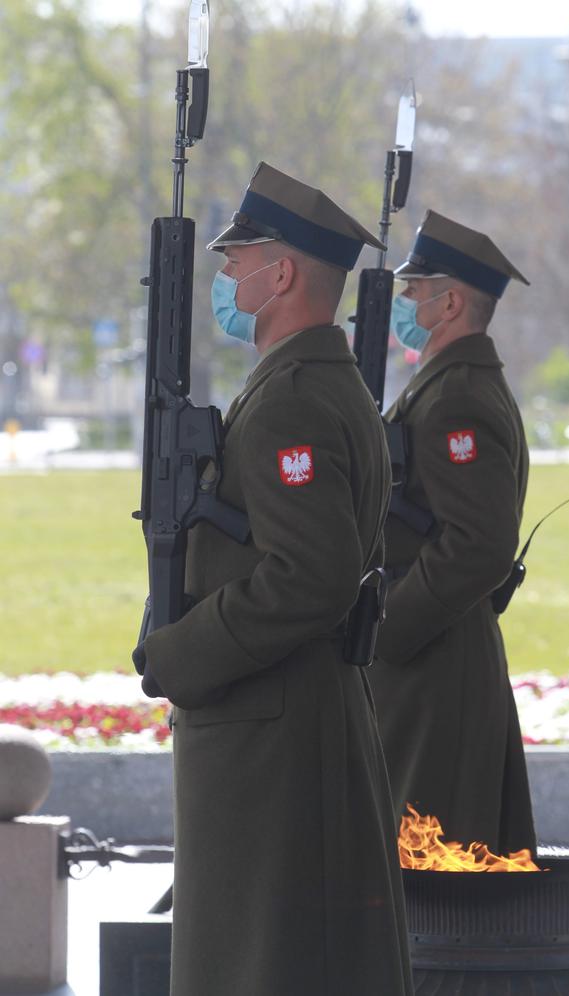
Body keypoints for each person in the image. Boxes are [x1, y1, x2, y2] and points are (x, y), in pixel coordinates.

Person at [140, 162, 414, 996]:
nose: (226, 277)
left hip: (275, 729)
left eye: (238, 260)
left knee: (265, 961)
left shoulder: (294, 400)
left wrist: (184, 650)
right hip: (289, 718)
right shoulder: (315, 385)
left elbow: (312, 576)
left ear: (282, 272)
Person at [369, 209, 537, 856]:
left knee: (435, 867)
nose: (407, 303)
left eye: (417, 290)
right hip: (437, 656)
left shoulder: (457, 399)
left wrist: (389, 629)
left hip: (434, 662)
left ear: (452, 300)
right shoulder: (446, 386)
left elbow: (479, 544)